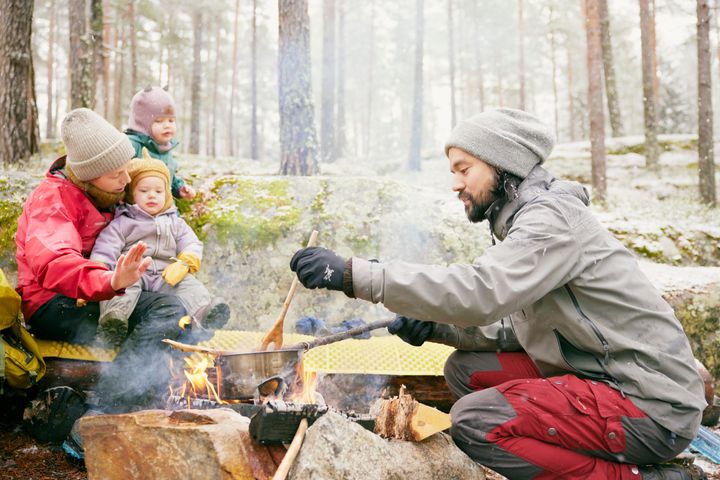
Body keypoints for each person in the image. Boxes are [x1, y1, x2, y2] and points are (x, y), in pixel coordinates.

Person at [289, 108, 708, 480]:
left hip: (649, 404)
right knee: (466, 370)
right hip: (603, 375)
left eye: (463, 168)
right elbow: (518, 327)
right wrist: (438, 327)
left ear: (501, 163)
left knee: (475, 421)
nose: (455, 183)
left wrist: (354, 274)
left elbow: (482, 292)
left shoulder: (551, 220)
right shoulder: (522, 221)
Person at [15, 108, 191, 415]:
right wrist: (109, 281)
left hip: (107, 289)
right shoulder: (51, 200)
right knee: (166, 311)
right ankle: (110, 407)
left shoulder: (106, 190)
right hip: (55, 302)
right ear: (87, 176)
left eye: (125, 169)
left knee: (182, 317)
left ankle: (145, 392)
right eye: (116, 174)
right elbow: (56, 263)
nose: (126, 179)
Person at [90, 150, 229, 346]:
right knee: (122, 288)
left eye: (158, 191)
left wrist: (185, 261)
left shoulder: (175, 222)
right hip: (133, 273)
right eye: (144, 191)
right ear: (131, 194)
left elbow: (191, 242)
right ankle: (114, 321)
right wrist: (98, 270)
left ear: (167, 194)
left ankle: (205, 316)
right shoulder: (123, 223)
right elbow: (105, 248)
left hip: (166, 274)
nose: (152, 196)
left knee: (190, 286)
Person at [125, 85, 195, 200]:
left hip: (166, 210)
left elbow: (169, 178)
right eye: (159, 121)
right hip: (136, 210)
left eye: (171, 120)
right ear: (142, 124)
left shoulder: (165, 148)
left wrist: (179, 188)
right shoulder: (132, 146)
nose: (167, 125)